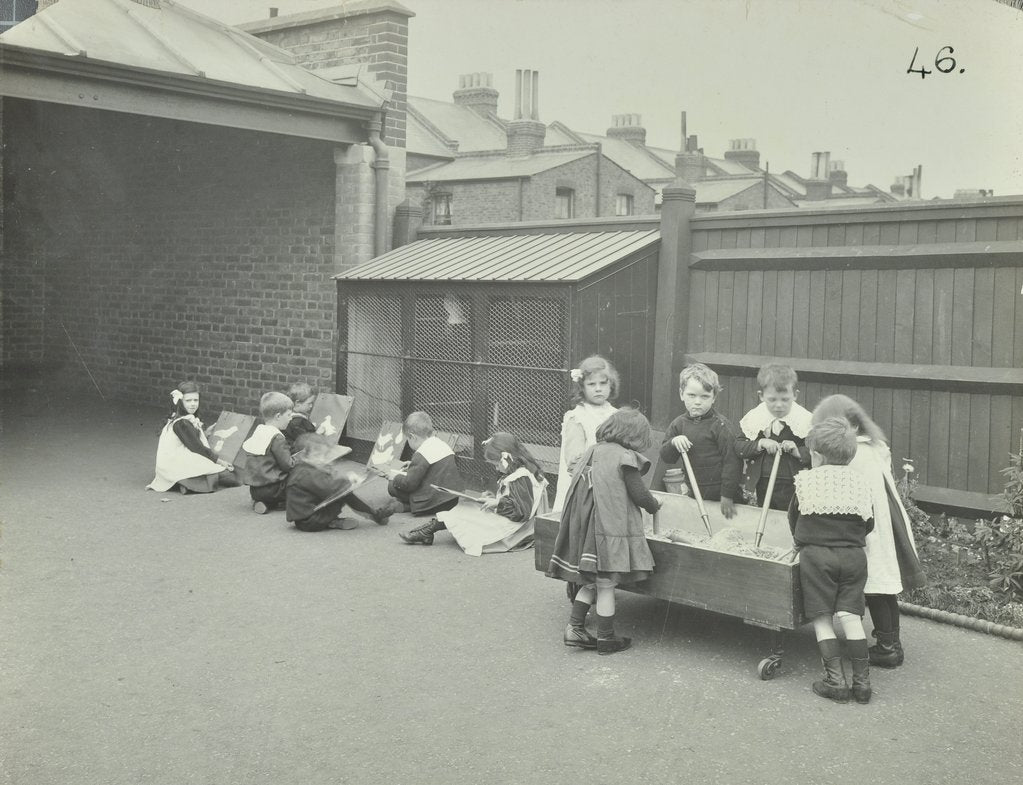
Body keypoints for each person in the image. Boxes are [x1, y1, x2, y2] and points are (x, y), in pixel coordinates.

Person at [811, 394, 927, 669]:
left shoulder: (854, 455)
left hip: (871, 525)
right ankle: (891, 644)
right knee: (884, 588)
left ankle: (886, 648)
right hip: (887, 520)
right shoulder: (873, 446)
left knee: (875, 585)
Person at [547, 408, 660, 655]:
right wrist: (654, 505)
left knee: (591, 581)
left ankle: (574, 628)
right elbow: (639, 494)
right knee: (607, 585)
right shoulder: (624, 457)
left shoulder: (592, 451)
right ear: (633, 437)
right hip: (606, 529)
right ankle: (606, 638)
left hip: (584, 529)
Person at [789, 416, 876, 703]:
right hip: (853, 557)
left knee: (823, 617)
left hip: (817, 557)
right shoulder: (860, 484)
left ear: (816, 455)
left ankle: (835, 681)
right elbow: (869, 523)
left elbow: (794, 518)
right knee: (851, 616)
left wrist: (802, 540)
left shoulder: (806, 482)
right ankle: (862, 684)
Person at [434, 432, 551, 555]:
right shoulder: (520, 470)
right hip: (513, 518)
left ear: (506, 459)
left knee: (469, 514)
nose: (496, 468)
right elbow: (516, 498)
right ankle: (433, 526)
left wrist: (497, 503)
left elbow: (521, 512)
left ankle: (431, 527)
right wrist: (494, 498)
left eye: (496, 464)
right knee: (469, 511)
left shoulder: (521, 476)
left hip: (517, 528)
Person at [659, 363, 741, 519]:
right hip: (695, 493)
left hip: (722, 497)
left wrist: (727, 495)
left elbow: (732, 462)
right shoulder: (679, 424)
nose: (697, 402)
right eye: (691, 395)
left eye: (704, 396)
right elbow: (666, 456)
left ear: (714, 397)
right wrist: (673, 442)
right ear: (681, 394)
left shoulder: (720, 425)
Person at [736, 363, 812, 510]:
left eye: (785, 400)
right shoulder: (755, 417)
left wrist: (798, 451)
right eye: (772, 400)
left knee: (788, 519)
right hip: (762, 482)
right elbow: (738, 446)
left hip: (793, 484)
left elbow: (818, 451)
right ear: (761, 396)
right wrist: (760, 443)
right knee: (764, 519)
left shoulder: (804, 420)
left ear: (795, 395)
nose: (778, 405)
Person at [551, 355, 619, 512]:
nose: (598, 388)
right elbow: (574, 462)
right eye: (591, 384)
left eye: (603, 383)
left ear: (611, 384)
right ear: (582, 387)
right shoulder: (577, 418)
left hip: (611, 482)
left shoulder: (616, 415)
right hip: (584, 487)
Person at [392, 412, 464, 544]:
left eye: (407, 440)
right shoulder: (441, 444)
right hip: (452, 500)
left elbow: (409, 484)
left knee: (392, 487)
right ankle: (415, 505)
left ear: (412, 437)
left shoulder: (421, 453)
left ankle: (412, 506)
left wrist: (394, 477)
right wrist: (412, 465)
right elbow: (434, 468)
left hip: (432, 500)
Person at [147, 381, 232, 493]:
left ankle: (186, 482)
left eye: (195, 400)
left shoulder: (182, 419)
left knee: (214, 470)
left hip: (172, 461)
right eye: (188, 400)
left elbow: (190, 439)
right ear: (180, 403)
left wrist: (205, 433)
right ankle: (187, 482)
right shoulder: (182, 423)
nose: (193, 404)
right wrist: (219, 461)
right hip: (174, 462)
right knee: (225, 472)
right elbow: (197, 447)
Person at [285, 433, 360, 532]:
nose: (322, 459)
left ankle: (332, 521)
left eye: (324, 455)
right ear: (304, 456)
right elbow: (331, 487)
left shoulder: (303, 467)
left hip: (303, 519)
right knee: (344, 494)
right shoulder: (307, 473)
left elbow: (326, 480)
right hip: (312, 520)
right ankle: (332, 522)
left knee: (341, 490)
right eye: (317, 455)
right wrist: (348, 480)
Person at [238, 392, 295, 514]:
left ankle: (262, 502)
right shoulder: (277, 437)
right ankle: (281, 502)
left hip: (255, 489)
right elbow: (287, 465)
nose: (291, 418)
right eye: (289, 415)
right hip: (274, 488)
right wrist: (299, 459)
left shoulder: (259, 431)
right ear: (278, 416)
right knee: (299, 477)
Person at [283, 382, 318, 452]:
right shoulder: (298, 422)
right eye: (309, 403)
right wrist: (319, 433)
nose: (311, 406)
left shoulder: (287, 416)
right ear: (297, 403)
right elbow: (307, 443)